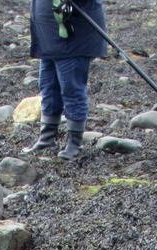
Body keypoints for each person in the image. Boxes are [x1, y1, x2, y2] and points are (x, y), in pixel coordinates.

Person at [27, 0, 106, 160]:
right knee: (48, 86)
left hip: (74, 34)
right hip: (47, 33)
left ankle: (74, 143)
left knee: (72, 89)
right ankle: (47, 138)